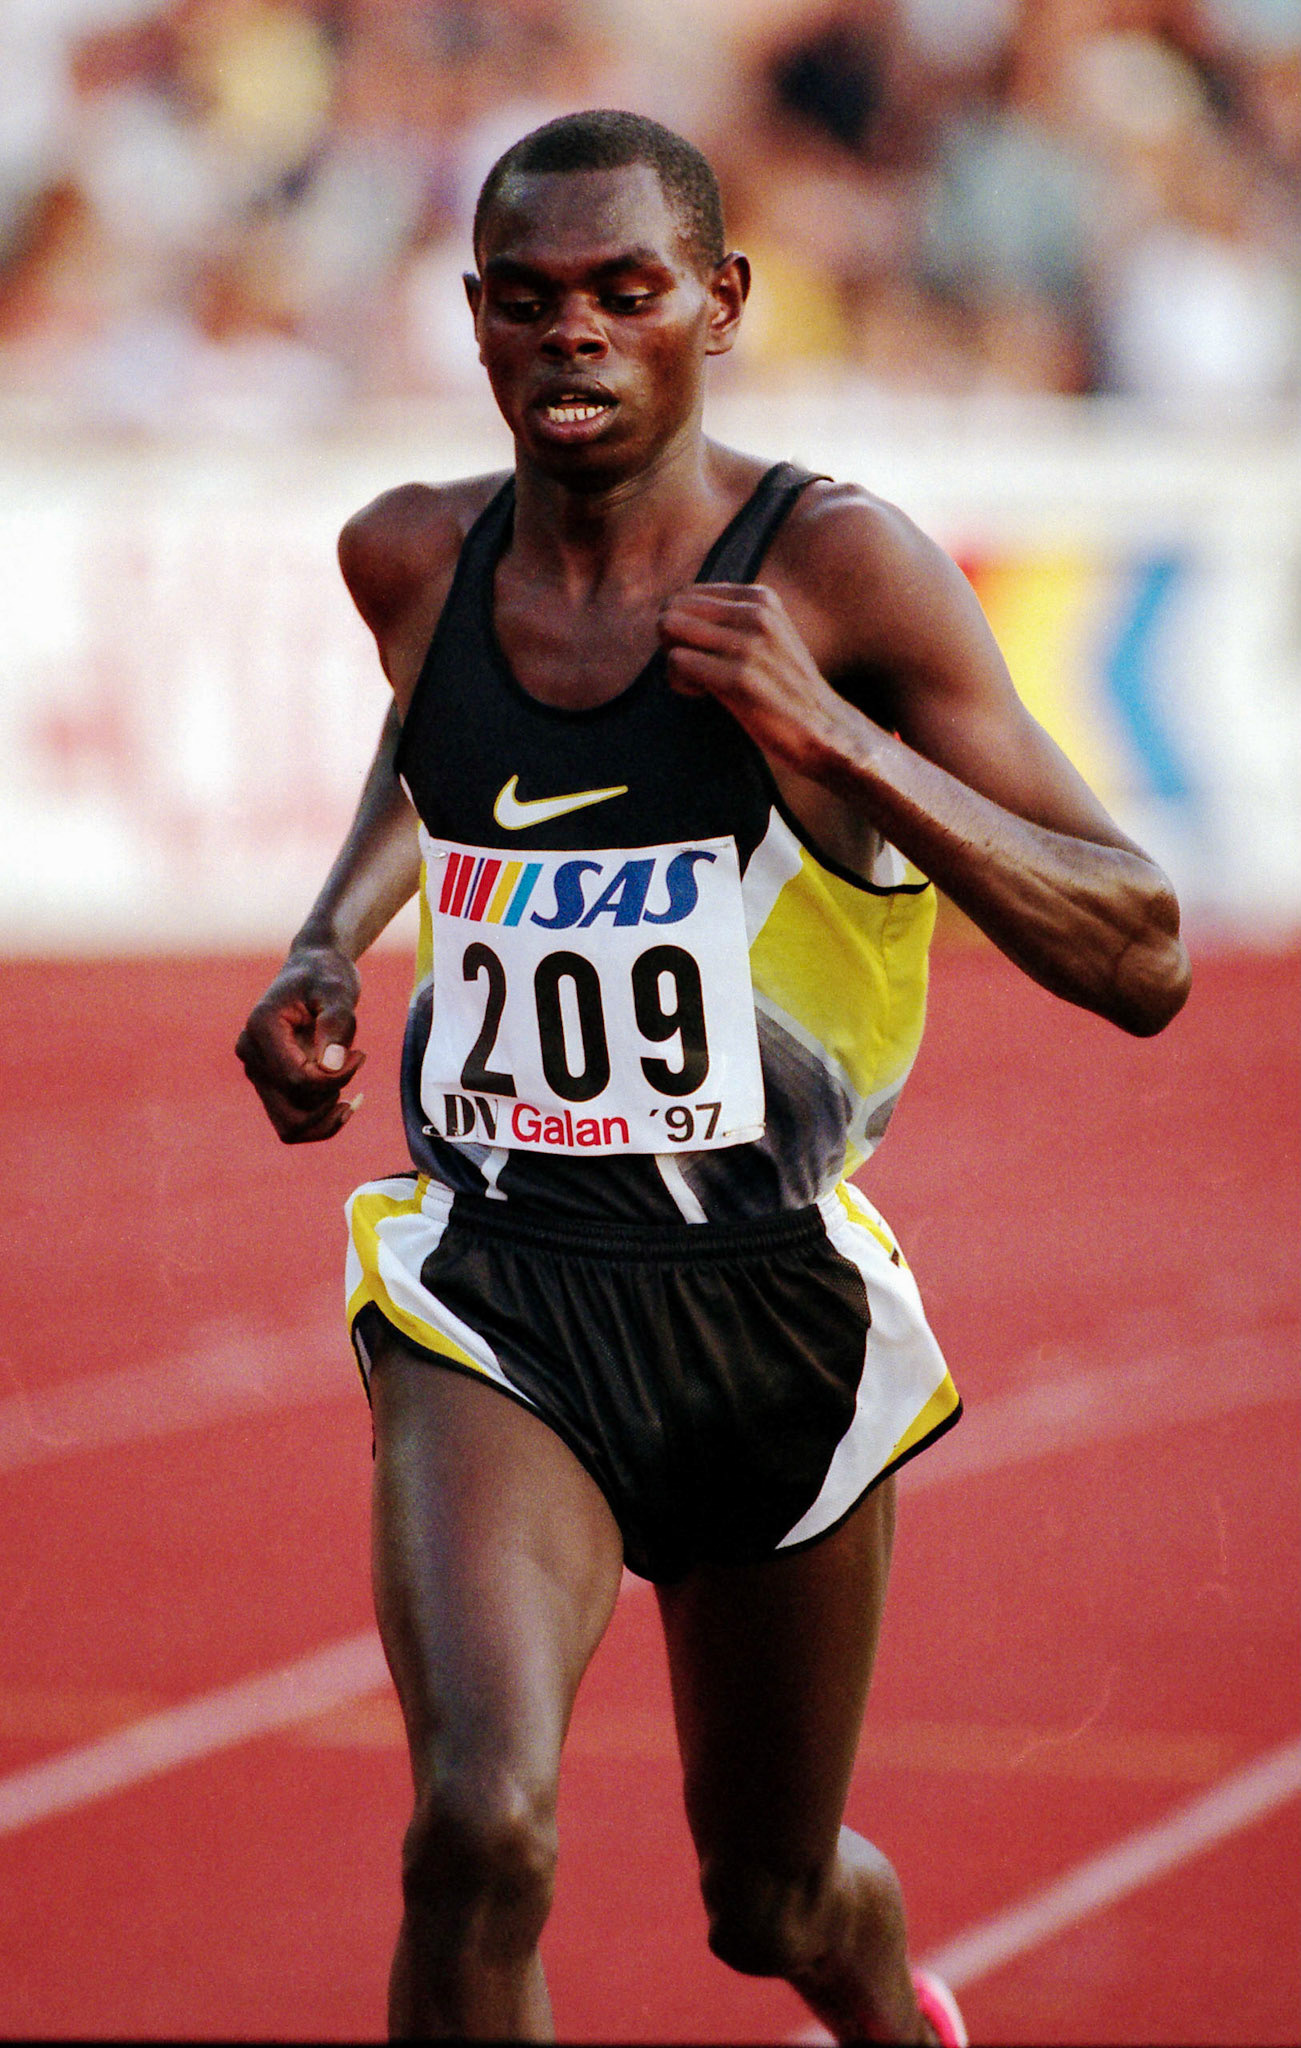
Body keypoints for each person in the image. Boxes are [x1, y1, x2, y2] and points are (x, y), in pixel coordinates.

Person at [236, 109, 1190, 2045]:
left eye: (624, 294)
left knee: (769, 1893)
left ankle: (890, 2010)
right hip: (496, 1293)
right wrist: (327, 938)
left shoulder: (837, 568)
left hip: (773, 1314)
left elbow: (1144, 942)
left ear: (721, 307)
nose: (572, 337)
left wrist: (835, 737)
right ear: (475, 322)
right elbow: (431, 767)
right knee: (477, 1833)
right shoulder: (413, 555)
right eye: (525, 302)